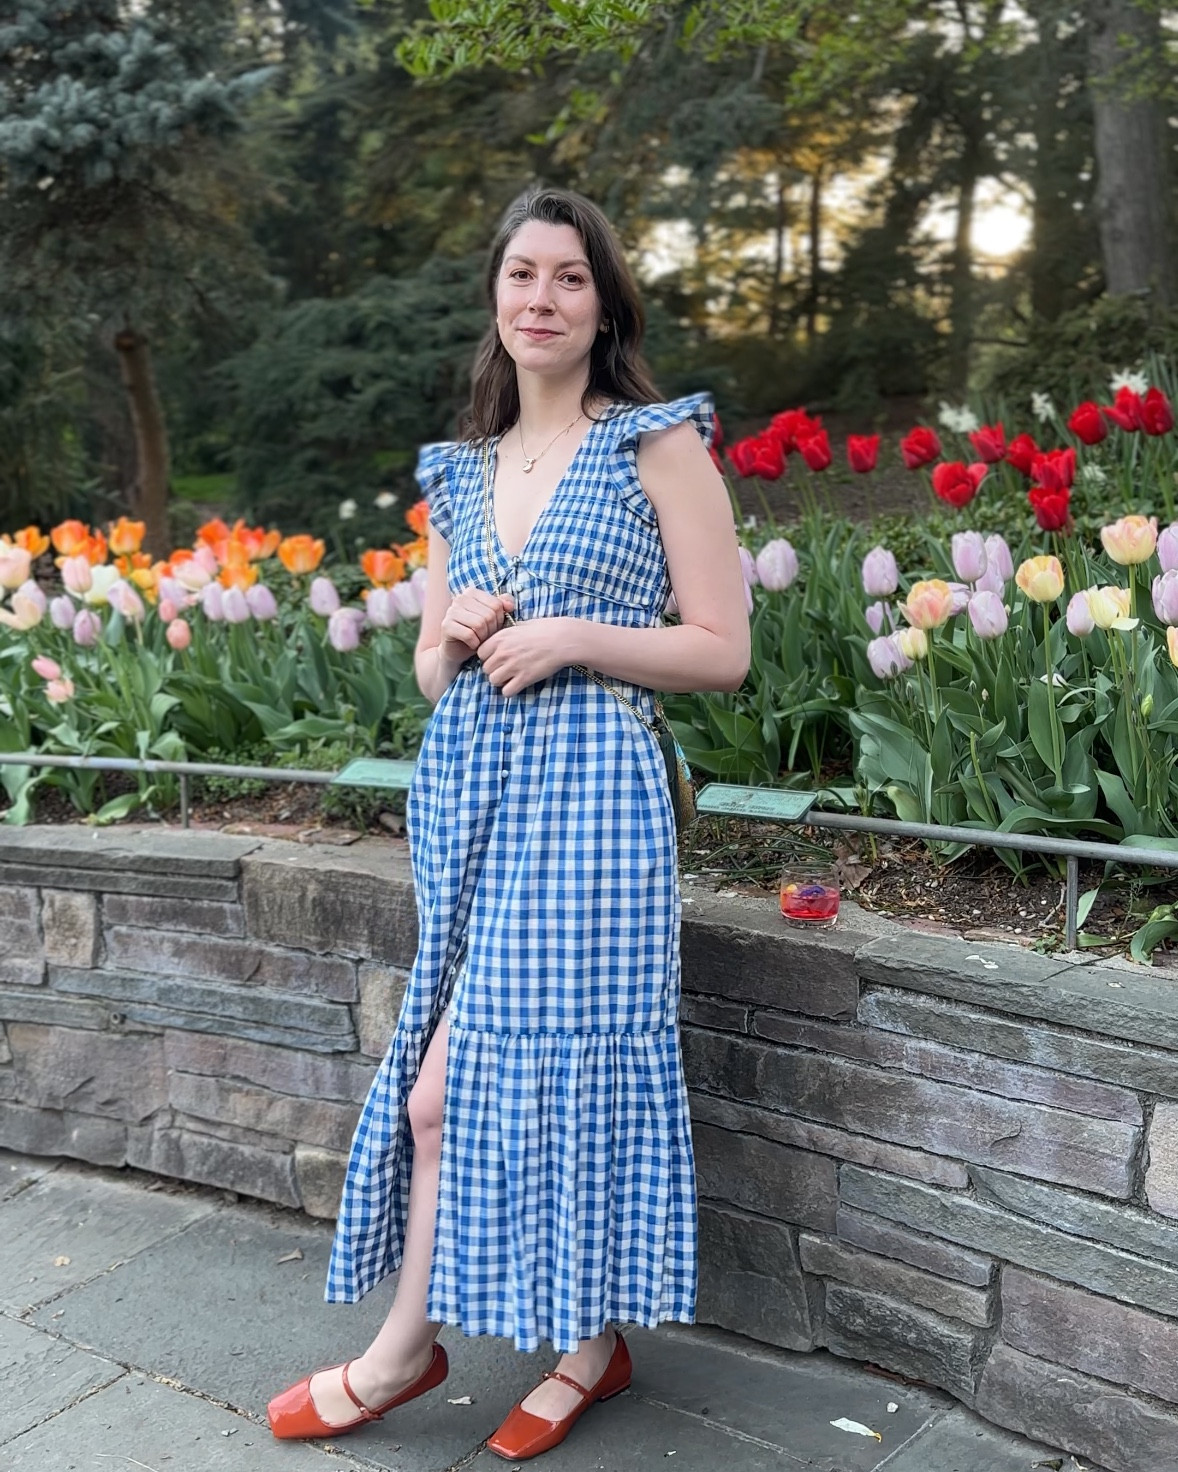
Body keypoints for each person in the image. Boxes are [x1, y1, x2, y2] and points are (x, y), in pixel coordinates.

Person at [267, 185, 750, 1460]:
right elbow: (429, 671)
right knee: (487, 1075)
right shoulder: (460, 471)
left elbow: (724, 649)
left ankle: (403, 1354)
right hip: (472, 794)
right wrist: (463, 632)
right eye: (521, 275)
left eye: (569, 279)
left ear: (604, 307)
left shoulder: (656, 443)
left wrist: (575, 635)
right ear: (495, 296)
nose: (540, 299)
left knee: (449, 1090)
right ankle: (587, 1346)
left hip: (592, 801)